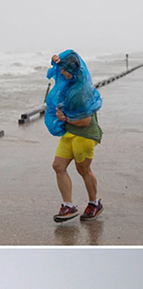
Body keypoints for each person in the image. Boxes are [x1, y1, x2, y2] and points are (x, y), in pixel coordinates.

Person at [46, 50, 104, 222]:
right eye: (62, 69)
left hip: (85, 134)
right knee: (58, 166)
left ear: (73, 71)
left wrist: (64, 118)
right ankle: (68, 206)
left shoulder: (79, 92)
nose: (62, 72)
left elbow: (85, 121)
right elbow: (68, 57)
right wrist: (57, 60)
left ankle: (94, 204)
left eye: (64, 70)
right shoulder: (70, 80)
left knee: (83, 169)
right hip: (70, 132)